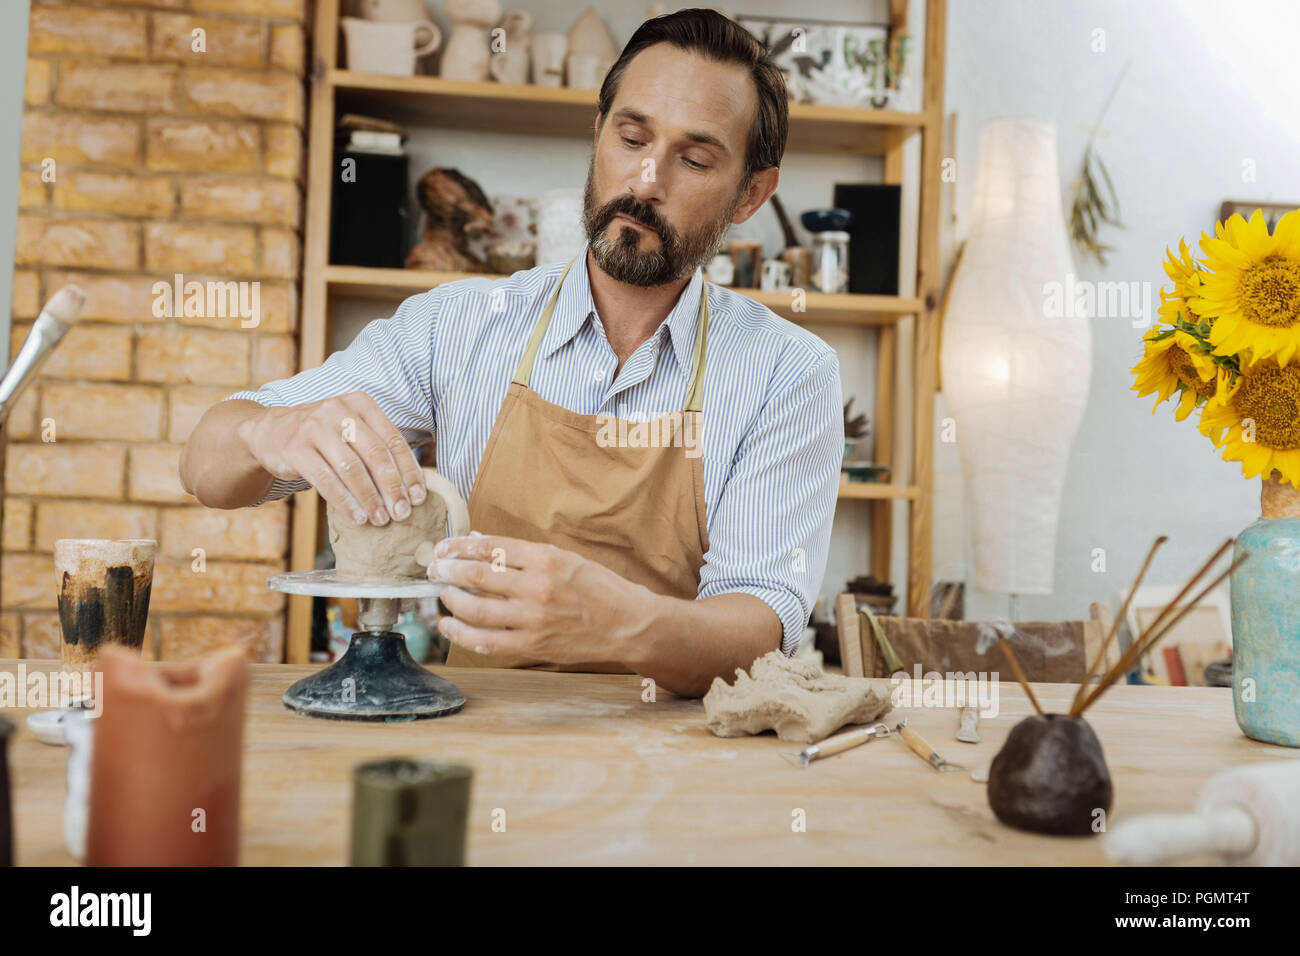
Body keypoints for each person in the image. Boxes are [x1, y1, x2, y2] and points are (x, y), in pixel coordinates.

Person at [180, 8, 844, 697]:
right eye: (632, 136)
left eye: (695, 159)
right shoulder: (460, 325)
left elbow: (759, 623)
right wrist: (270, 430)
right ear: (597, 134)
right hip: (477, 736)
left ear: (750, 194)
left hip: (675, 754)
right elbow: (206, 468)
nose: (646, 180)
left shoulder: (787, 374)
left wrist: (624, 626)